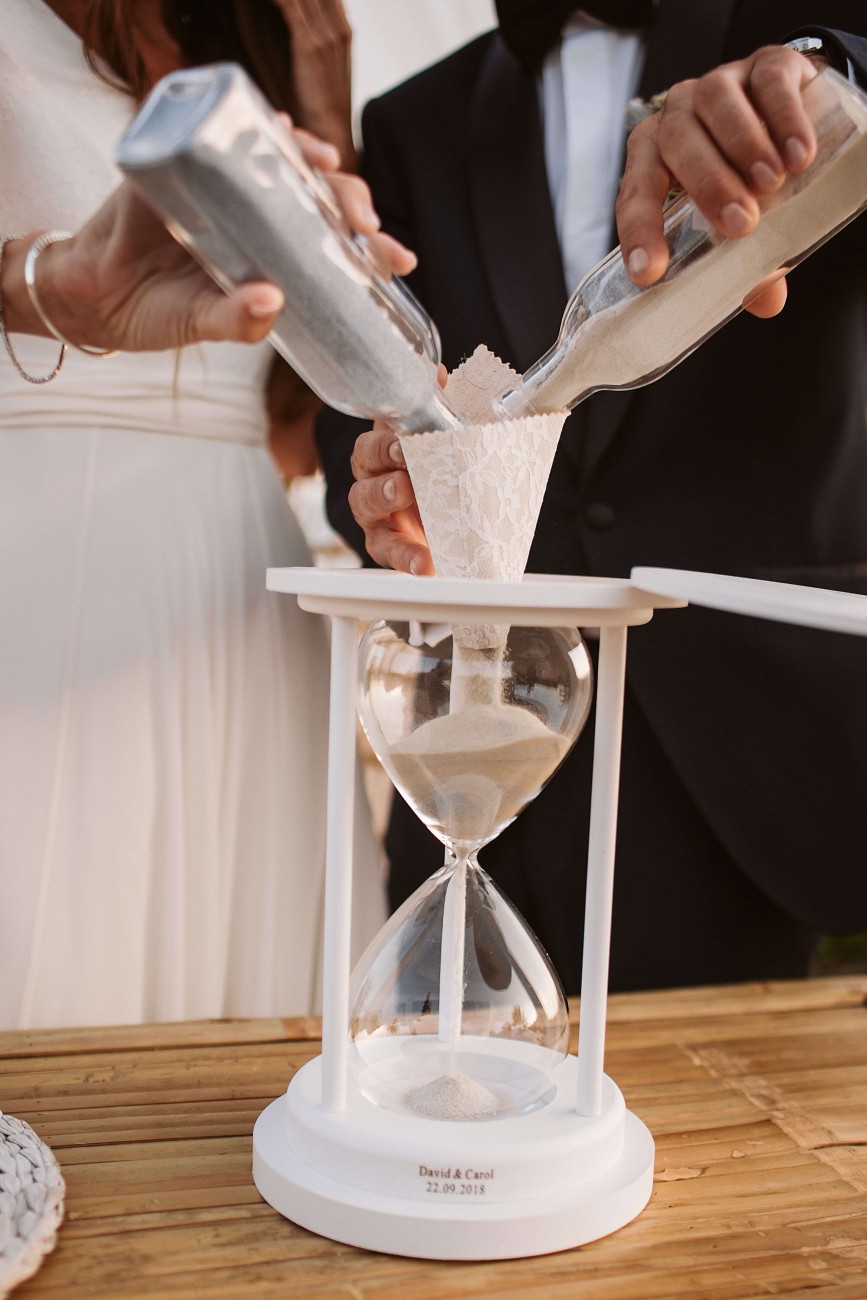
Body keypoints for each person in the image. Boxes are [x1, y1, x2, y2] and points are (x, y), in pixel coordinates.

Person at [315, 3, 867, 993]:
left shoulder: (798, 37)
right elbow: (357, 405)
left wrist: (832, 68)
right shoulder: (412, 119)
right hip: (485, 746)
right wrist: (389, 487)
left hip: (747, 751)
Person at [0, 0, 414, 1030]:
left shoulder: (259, 46)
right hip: (39, 548)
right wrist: (40, 284)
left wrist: (325, 118)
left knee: (265, 1023)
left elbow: (290, 425)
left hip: (242, 571)